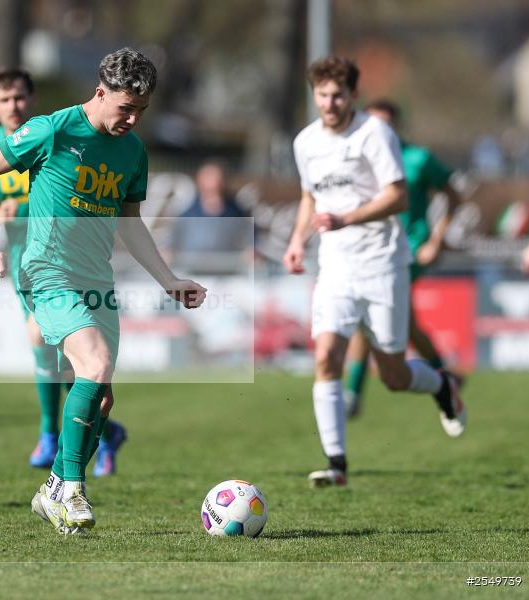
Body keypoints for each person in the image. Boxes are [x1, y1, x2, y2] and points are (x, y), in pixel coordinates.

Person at [0, 48, 206, 533]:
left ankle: (52, 489)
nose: (132, 118)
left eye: (141, 110)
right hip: (46, 271)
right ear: (100, 93)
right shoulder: (53, 129)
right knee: (94, 363)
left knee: (99, 399)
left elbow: (130, 222)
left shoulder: (134, 151)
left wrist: (169, 280)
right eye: (124, 108)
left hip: (96, 280)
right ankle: (71, 489)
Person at [283, 56, 466, 488]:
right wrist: (296, 241)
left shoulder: (374, 133)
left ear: (353, 95)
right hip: (336, 269)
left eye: (338, 95)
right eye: (323, 95)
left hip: (383, 265)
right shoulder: (305, 142)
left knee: (394, 376)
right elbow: (309, 196)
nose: (330, 103)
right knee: (327, 356)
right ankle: (336, 464)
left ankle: (441, 385)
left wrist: (346, 218)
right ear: (314, 94)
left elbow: (399, 198)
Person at [343, 99, 463, 418]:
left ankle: (352, 395)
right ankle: (446, 378)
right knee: (404, 323)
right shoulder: (359, 160)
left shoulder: (418, 159)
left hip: (410, 249)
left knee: (368, 313)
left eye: (386, 123)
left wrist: (437, 239)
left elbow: (454, 194)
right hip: (374, 250)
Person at [169, 159, 249, 265]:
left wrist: (250, 251)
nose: (214, 182)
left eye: (217, 178)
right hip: (192, 269)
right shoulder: (187, 213)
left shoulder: (237, 211)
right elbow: (173, 241)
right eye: (209, 177)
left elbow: (250, 238)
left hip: (227, 270)